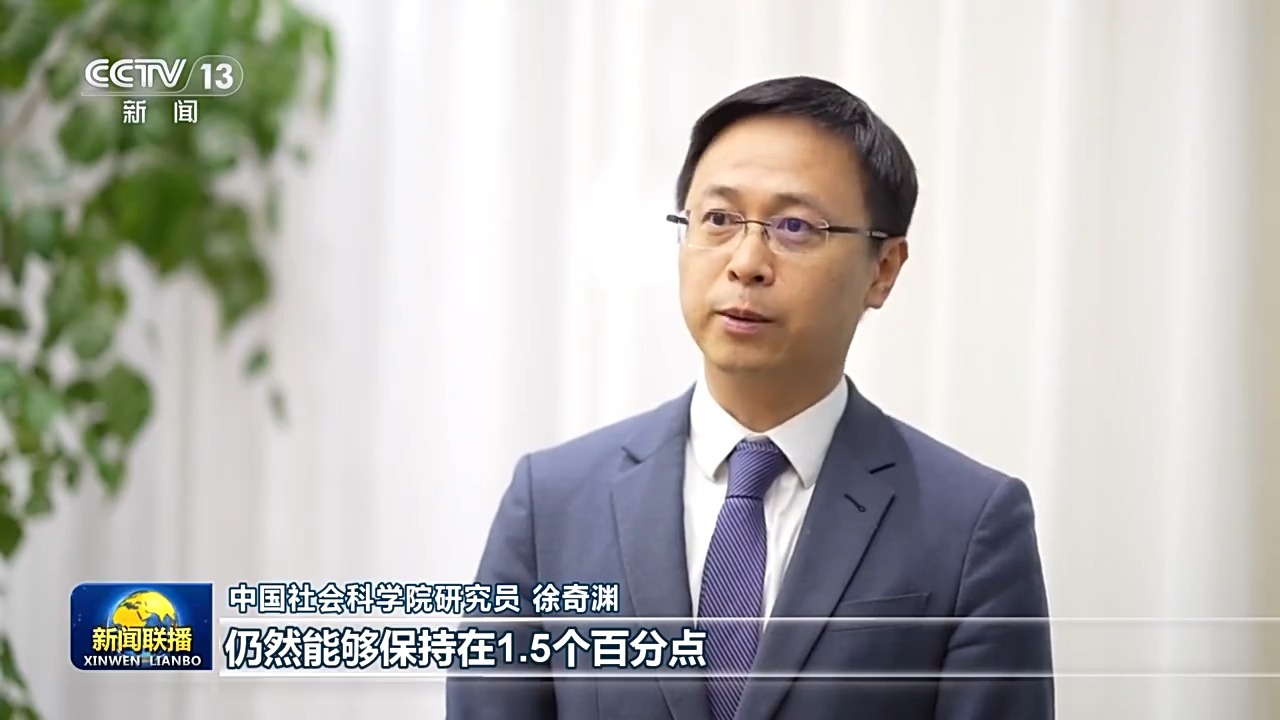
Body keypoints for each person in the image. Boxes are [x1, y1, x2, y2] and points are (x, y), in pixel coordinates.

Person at [446, 76, 1054, 720]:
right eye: (718, 219)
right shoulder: (552, 504)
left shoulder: (971, 525)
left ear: (883, 270)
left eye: (795, 226)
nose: (746, 262)